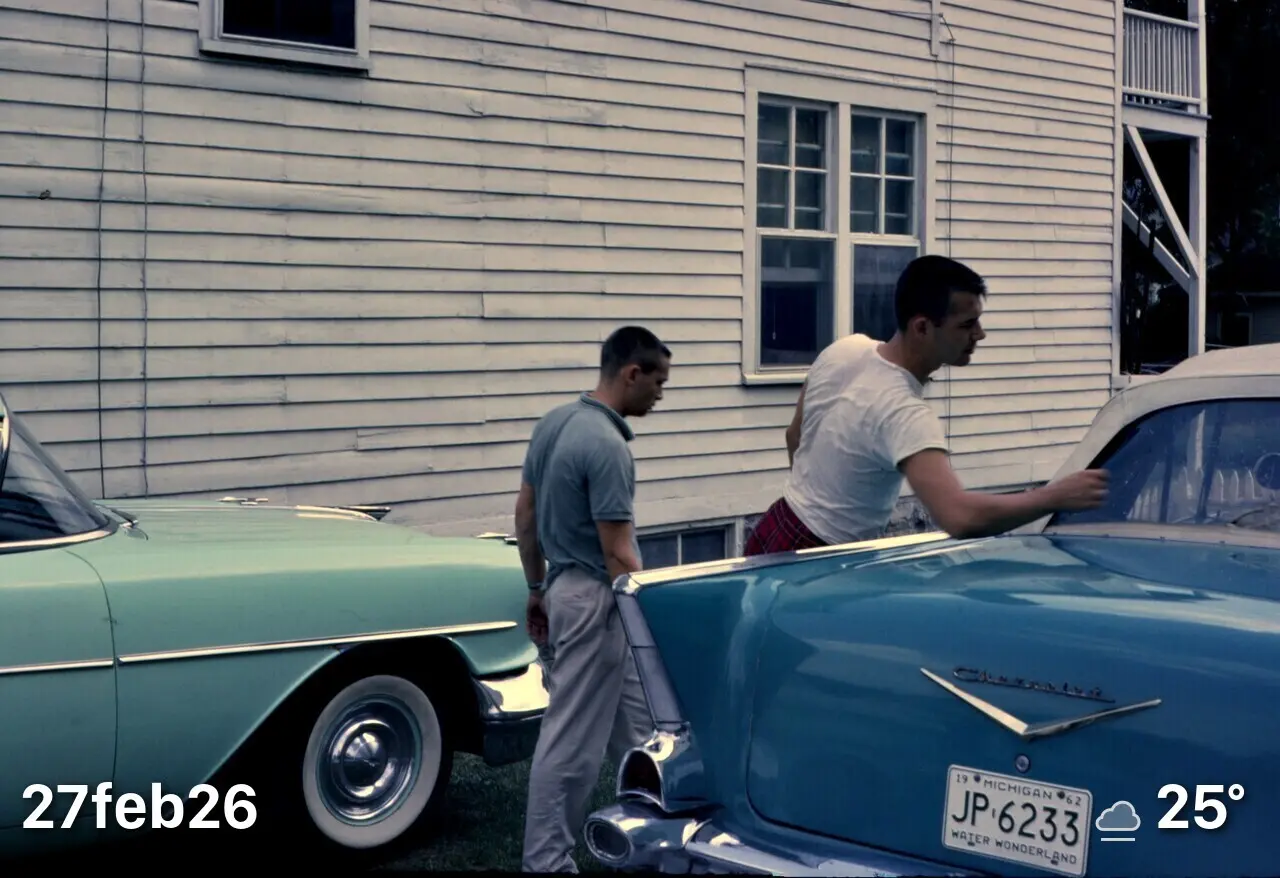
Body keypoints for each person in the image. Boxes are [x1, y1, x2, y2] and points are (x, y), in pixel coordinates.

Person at [746, 255, 1108, 555]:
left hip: (775, 528)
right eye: (967, 324)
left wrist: (815, 502)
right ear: (922, 327)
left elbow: (794, 437)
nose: (979, 334)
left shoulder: (843, 349)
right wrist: (1054, 496)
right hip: (824, 557)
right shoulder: (903, 412)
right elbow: (958, 516)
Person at [514, 325, 671, 873]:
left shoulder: (555, 422)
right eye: (658, 382)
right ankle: (547, 863)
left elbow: (526, 515)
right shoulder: (607, 446)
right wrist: (654, 620)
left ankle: (654, 837)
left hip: (564, 588)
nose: (660, 394)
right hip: (596, 602)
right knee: (572, 743)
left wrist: (536, 587)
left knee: (646, 728)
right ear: (632, 373)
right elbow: (619, 554)